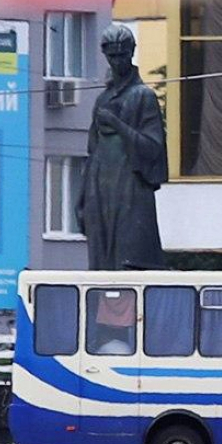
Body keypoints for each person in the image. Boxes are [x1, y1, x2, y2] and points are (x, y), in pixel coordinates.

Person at [77, 24, 168, 270]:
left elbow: (153, 148)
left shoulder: (142, 96)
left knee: (129, 267)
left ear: (132, 52)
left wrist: (118, 124)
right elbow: (92, 152)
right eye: (112, 56)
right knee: (101, 270)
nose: (118, 62)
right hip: (100, 193)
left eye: (123, 55)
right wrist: (82, 200)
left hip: (130, 193)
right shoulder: (102, 99)